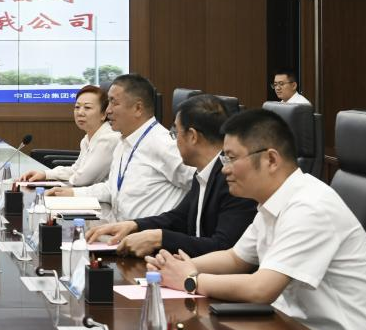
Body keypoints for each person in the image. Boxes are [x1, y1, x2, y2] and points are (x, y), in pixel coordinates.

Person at [147, 109, 366, 330]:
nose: (225, 169)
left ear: (271, 159)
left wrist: (190, 279)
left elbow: (261, 288)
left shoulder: (310, 206)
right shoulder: (272, 203)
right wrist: (179, 267)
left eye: (231, 158)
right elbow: (235, 258)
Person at [86, 94, 257, 257]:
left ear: (192, 136)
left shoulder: (233, 178)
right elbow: (179, 218)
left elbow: (224, 247)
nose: (174, 141)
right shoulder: (205, 171)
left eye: (176, 133)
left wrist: (159, 239)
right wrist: (134, 225)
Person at [49, 73, 192, 221]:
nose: (108, 110)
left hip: (145, 233)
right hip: (116, 227)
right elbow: (112, 188)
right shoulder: (123, 142)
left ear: (138, 108)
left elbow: (199, 184)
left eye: (114, 103)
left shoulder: (163, 144)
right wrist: (72, 193)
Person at [19, 84, 115, 187]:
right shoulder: (86, 139)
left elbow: (83, 179)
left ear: (104, 114)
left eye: (87, 107)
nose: (80, 112)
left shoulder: (108, 138)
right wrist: (45, 174)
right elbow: (76, 170)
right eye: (77, 107)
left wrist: (61, 183)